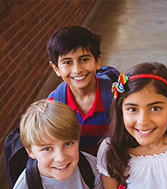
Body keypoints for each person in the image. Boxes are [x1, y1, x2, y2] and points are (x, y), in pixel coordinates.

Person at [7, 99, 108, 189]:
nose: (60, 158)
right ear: (30, 152)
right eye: (47, 148)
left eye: (68, 143)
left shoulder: (92, 167)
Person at [47, 25, 119, 156]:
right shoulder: (54, 104)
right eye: (67, 62)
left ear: (97, 61)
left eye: (84, 59)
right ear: (56, 68)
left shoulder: (116, 95)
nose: (77, 69)